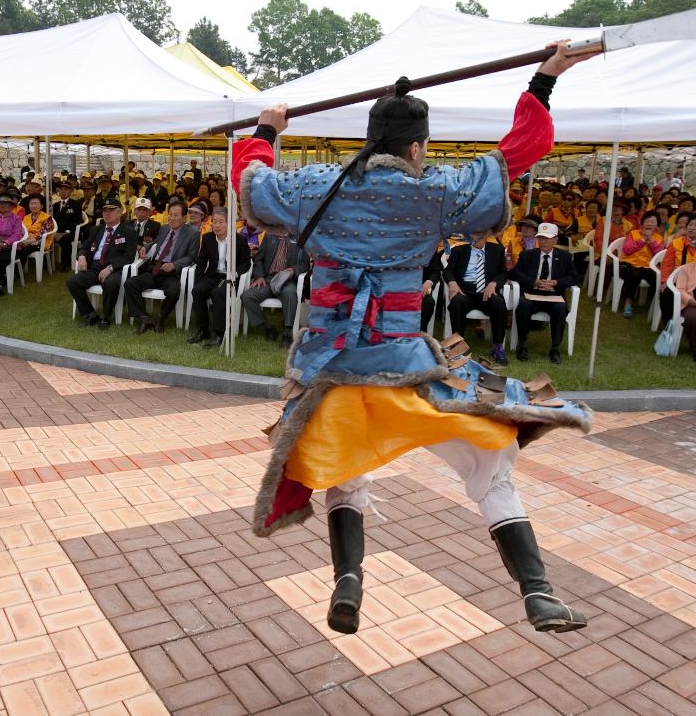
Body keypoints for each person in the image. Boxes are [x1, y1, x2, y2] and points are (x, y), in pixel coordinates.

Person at [231, 42, 595, 638]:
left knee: (347, 469)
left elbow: (251, 182)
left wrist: (265, 129)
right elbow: (519, 152)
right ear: (418, 146)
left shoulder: (316, 186)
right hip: (402, 365)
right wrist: (544, 79)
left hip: (327, 366)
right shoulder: (436, 189)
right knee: (490, 464)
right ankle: (538, 592)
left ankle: (348, 579)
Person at [125, 201, 198, 333]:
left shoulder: (192, 233)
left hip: (171, 272)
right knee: (130, 284)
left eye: (176, 215)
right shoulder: (164, 228)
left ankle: (161, 319)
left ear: (184, 217)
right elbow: (155, 243)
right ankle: (144, 319)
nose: (172, 218)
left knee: (174, 291)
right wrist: (144, 248)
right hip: (154, 268)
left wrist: (174, 265)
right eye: (170, 214)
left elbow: (192, 257)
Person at [512, 222, 577, 363]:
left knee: (560, 308)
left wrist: (556, 283)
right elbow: (515, 273)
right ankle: (522, 343)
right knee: (522, 305)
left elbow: (573, 277)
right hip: (532, 294)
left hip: (553, 296)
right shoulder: (527, 255)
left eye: (547, 238)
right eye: (540, 237)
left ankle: (555, 347)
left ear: (555, 240)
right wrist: (533, 281)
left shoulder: (565, 257)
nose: (543, 241)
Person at [187, 206, 251, 346]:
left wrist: (236, 273)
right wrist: (197, 282)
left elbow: (246, 263)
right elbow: (201, 263)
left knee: (218, 293)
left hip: (230, 277)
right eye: (214, 222)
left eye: (221, 222)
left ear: (228, 223)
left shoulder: (239, 240)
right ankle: (203, 330)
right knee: (197, 291)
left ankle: (219, 334)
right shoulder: (207, 238)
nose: (217, 225)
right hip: (213, 275)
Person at [444, 230, 510, 364]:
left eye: (481, 235)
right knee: (456, 302)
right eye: (474, 235)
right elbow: (448, 270)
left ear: (487, 236)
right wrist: (452, 282)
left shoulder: (497, 250)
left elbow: (503, 273)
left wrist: (494, 283)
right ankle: (458, 344)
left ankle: (497, 346)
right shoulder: (459, 251)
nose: (477, 238)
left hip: (486, 291)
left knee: (499, 304)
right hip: (465, 290)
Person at [68, 197, 134, 329]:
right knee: (73, 282)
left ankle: (106, 317)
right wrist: (81, 257)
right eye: (104, 211)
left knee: (111, 283)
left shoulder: (128, 231)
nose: (107, 213)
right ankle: (90, 314)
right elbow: (84, 247)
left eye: (111, 210)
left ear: (119, 212)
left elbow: (129, 256)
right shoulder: (97, 230)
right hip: (95, 267)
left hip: (114, 269)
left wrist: (110, 268)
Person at [242, 229, 309, 345]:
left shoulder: (300, 238)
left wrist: (294, 270)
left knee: (290, 295)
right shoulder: (270, 235)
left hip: (287, 280)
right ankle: (268, 327)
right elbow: (259, 259)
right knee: (247, 296)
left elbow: (305, 264)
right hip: (268, 279)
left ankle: (287, 334)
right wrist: (259, 276)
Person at [616, 212, 664, 318]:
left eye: (652, 222)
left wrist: (651, 241)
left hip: (648, 266)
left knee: (657, 278)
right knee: (634, 275)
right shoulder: (633, 233)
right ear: (642, 223)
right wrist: (642, 240)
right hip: (630, 264)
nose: (649, 224)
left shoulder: (659, 238)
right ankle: (628, 303)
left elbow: (660, 254)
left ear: (657, 226)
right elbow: (627, 250)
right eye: (647, 221)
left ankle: (657, 307)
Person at [0, 195, 25, 295]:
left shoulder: (16, 218)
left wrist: (5, 243)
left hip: (11, 247)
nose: (4, 206)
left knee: (2, 259)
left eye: (7, 204)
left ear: (11, 206)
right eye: (1, 204)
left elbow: (17, 234)